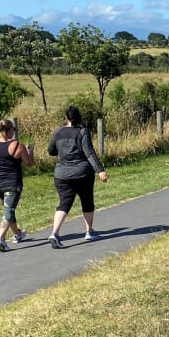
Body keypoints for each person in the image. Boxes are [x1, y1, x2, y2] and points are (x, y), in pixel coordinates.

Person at [47, 105, 108, 248]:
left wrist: (63, 151)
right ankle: (89, 231)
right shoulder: (82, 131)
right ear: (79, 117)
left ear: (66, 118)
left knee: (64, 203)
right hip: (82, 173)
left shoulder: (58, 132)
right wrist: (100, 170)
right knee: (87, 201)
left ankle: (54, 233)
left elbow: (51, 151)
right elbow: (89, 152)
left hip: (61, 174)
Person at [0, 119, 35, 252]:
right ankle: (1, 240)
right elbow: (29, 163)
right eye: (13, 130)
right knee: (8, 211)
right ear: (9, 130)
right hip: (12, 183)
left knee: (9, 209)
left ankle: (17, 234)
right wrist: (30, 151)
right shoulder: (17, 146)